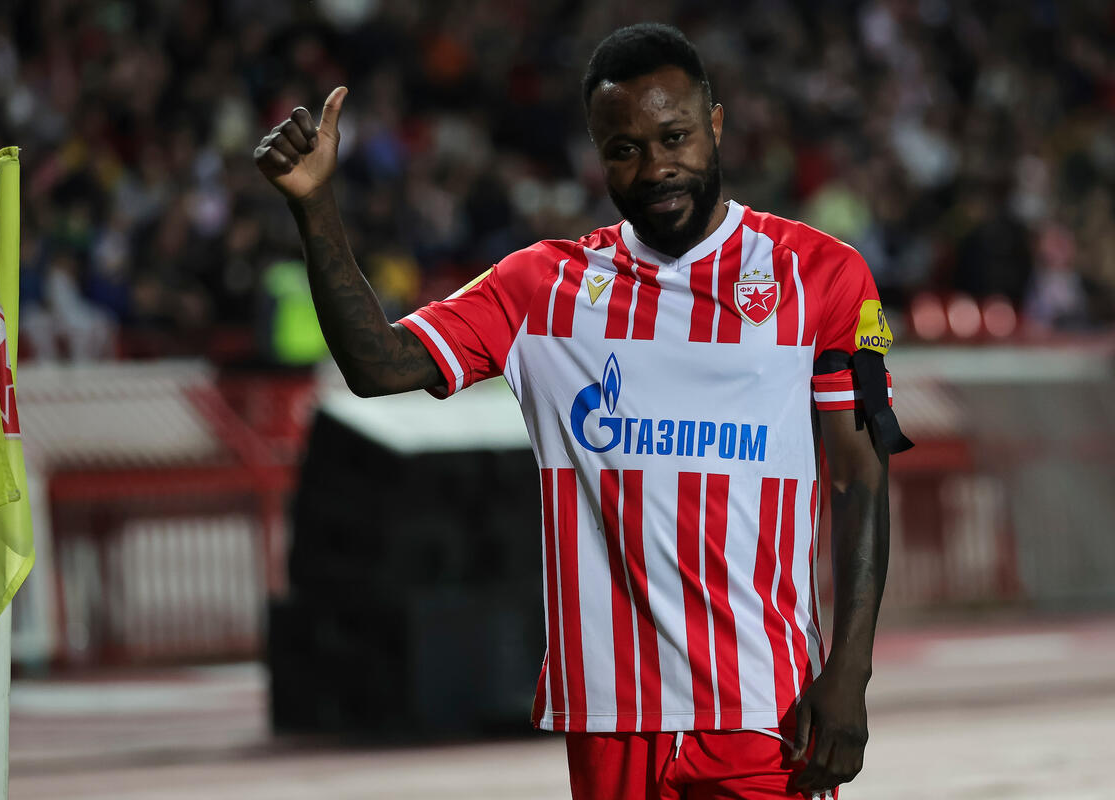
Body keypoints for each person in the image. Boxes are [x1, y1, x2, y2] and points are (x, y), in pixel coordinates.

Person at [255, 23, 909, 800]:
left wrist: (849, 672)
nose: (656, 166)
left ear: (716, 125)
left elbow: (859, 480)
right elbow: (377, 365)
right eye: (625, 148)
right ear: (597, 153)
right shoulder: (543, 288)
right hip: (607, 721)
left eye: (675, 136)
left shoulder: (823, 275)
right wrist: (315, 206)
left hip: (767, 714)